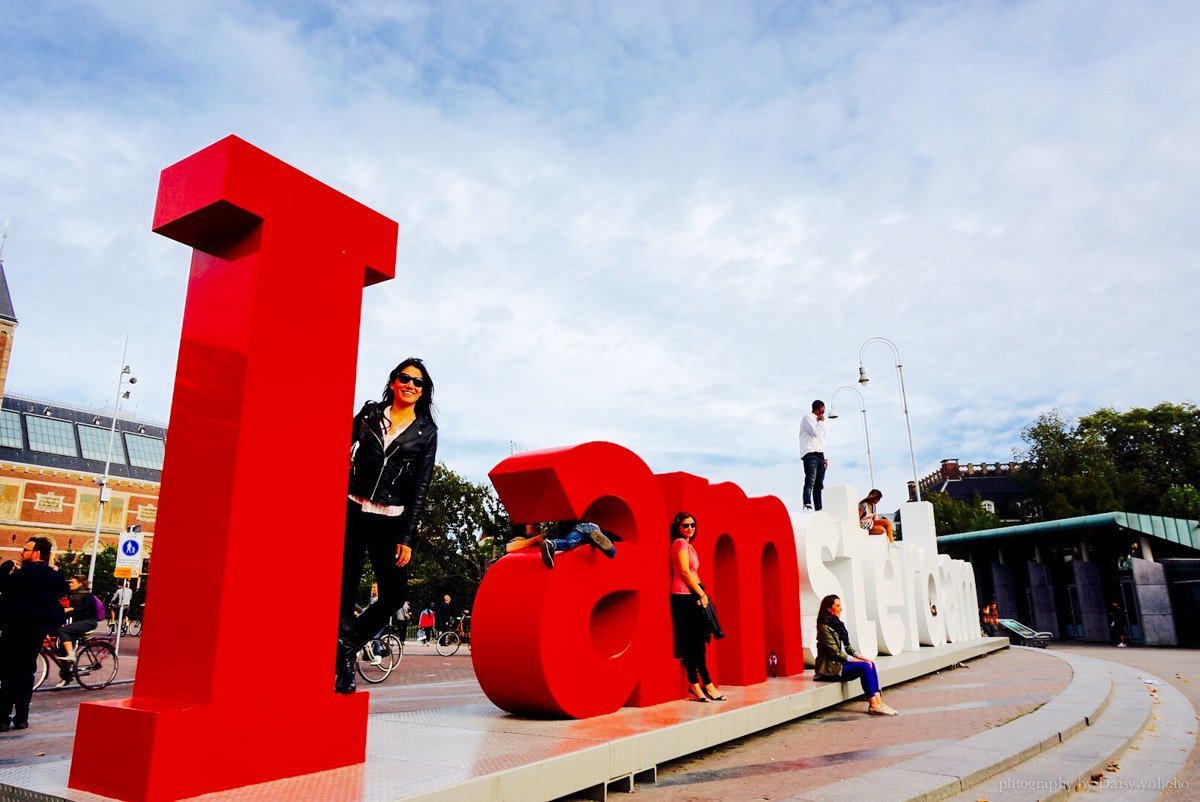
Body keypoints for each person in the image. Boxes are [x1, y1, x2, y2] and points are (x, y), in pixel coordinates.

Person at [336, 358, 438, 694]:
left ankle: (345, 644)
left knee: (394, 594)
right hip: (352, 510)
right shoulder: (369, 415)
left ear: (423, 391)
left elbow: (421, 486)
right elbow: (337, 445)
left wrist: (407, 536)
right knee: (345, 590)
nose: (410, 385)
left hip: (390, 521)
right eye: (404, 378)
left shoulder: (426, 432)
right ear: (393, 382)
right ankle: (345, 671)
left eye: (418, 382)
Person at [0, 537, 69, 732]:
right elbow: (62, 590)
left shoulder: (19, 574)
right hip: (36, 631)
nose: (22, 553)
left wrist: (6, 566)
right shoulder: (52, 575)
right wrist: (58, 571)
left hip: (14, 629)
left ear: (37, 553)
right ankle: (22, 717)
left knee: (8, 672)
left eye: (26, 550)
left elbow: (1, 584)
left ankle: (3, 717)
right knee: (26, 673)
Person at [669, 511, 725, 703]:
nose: (690, 528)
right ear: (678, 527)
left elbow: (694, 572)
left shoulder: (689, 545)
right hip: (683, 597)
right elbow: (684, 571)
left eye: (692, 525)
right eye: (685, 525)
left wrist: (702, 592)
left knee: (699, 643)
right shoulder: (680, 543)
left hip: (693, 595)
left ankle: (706, 683)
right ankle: (695, 684)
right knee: (691, 644)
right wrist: (700, 593)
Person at [813, 594, 897, 716]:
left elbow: (848, 648)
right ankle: (873, 705)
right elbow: (835, 653)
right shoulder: (824, 628)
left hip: (840, 664)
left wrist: (861, 657)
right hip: (831, 669)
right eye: (837, 605)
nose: (841, 608)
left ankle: (879, 702)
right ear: (828, 608)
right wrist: (857, 661)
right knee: (864, 667)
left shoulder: (837, 625)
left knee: (870, 663)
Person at [56, 576, 98, 685]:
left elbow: (87, 608)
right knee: (62, 649)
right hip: (78, 623)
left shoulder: (87, 595)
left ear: (80, 583)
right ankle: (67, 677)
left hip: (89, 622)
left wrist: (72, 609)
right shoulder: (73, 595)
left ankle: (72, 655)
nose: (70, 584)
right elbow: (70, 613)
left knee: (63, 631)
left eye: (72, 582)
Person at [539, 521, 616, 568]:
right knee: (611, 554)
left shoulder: (558, 526)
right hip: (593, 527)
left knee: (570, 542)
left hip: (578, 529)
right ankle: (605, 542)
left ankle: (552, 544)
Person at [800, 400, 827, 511]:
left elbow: (821, 440)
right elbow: (814, 432)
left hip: (820, 455)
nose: (824, 411)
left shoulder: (820, 422)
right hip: (810, 454)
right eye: (823, 408)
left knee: (819, 484)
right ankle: (807, 504)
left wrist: (825, 458)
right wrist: (820, 422)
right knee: (810, 480)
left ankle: (818, 508)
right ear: (819, 408)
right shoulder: (807, 418)